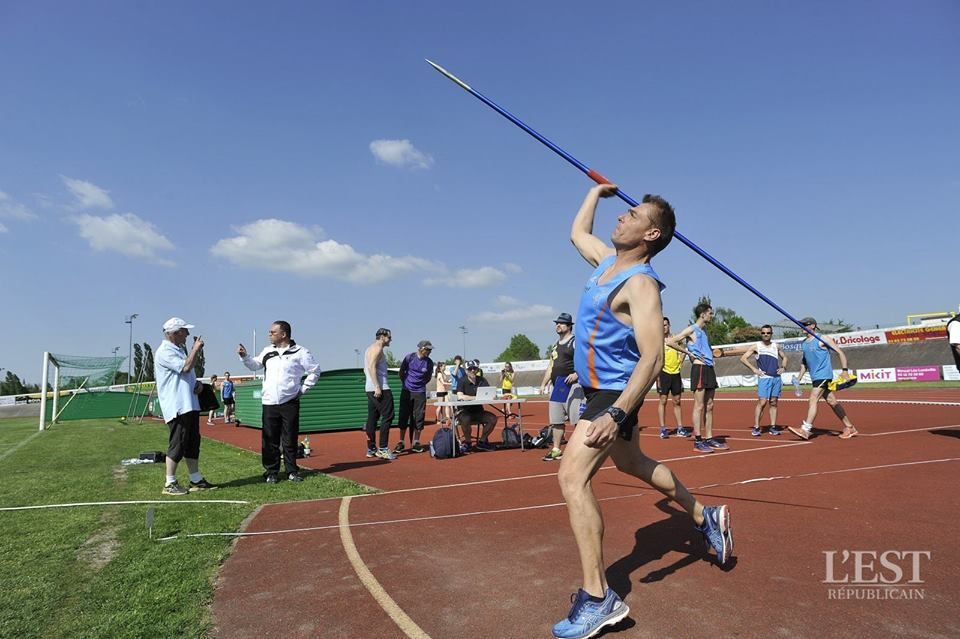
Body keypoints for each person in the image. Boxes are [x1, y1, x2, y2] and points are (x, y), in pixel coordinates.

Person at [553, 184, 732, 639]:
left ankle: (598, 598)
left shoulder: (641, 284)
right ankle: (702, 515)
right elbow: (578, 232)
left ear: (651, 234)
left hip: (613, 396)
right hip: (598, 390)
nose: (621, 218)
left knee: (572, 478)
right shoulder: (605, 265)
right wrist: (595, 193)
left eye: (631, 215)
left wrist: (616, 413)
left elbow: (652, 358)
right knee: (633, 463)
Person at [238, 320, 321, 483]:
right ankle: (271, 472)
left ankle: (291, 471)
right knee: (269, 439)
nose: (269, 334)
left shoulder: (300, 352)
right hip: (269, 402)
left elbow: (315, 371)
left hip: (289, 402)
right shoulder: (268, 351)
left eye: (272, 332)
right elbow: (255, 365)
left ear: (284, 334)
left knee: (289, 438)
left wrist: (303, 389)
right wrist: (244, 356)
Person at [154, 317, 216, 495]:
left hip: (189, 404)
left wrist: (196, 385)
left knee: (192, 443)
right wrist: (196, 349)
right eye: (184, 331)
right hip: (178, 405)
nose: (188, 334)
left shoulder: (177, 350)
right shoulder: (165, 352)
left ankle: (195, 479)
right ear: (174, 333)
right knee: (178, 443)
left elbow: (186, 374)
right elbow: (186, 368)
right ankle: (169, 483)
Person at [667, 303, 727, 453]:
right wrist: (688, 353)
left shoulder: (704, 331)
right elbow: (671, 341)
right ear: (703, 314)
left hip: (708, 368)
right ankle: (698, 440)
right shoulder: (691, 329)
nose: (712, 316)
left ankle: (709, 438)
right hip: (699, 369)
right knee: (699, 405)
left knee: (710, 405)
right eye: (710, 313)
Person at [787, 317, 858, 440]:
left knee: (813, 398)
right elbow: (804, 363)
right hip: (815, 377)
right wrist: (799, 377)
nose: (802, 326)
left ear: (813, 325)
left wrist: (845, 371)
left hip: (824, 375)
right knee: (832, 401)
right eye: (801, 324)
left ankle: (806, 429)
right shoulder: (804, 343)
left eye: (805, 324)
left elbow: (840, 353)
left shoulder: (822, 339)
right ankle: (850, 427)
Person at [538, 313, 583, 462]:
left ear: (569, 326)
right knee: (556, 420)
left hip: (573, 385)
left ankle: (580, 450)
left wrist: (577, 374)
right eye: (557, 323)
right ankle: (557, 449)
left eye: (562, 323)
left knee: (577, 419)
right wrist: (544, 383)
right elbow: (551, 366)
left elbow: (587, 359)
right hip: (558, 386)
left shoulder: (575, 342)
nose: (558, 325)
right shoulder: (555, 345)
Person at [739, 325, 788, 436]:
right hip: (764, 378)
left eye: (768, 333)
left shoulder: (776, 346)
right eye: (763, 333)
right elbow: (743, 358)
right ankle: (756, 427)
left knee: (774, 402)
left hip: (776, 378)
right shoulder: (756, 346)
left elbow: (785, 357)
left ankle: (773, 427)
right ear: (761, 334)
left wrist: (783, 367)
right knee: (762, 402)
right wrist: (754, 369)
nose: (766, 335)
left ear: (771, 334)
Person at [363, 328, 397, 460]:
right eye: (389, 337)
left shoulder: (369, 348)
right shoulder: (377, 348)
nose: (391, 340)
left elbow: (367, 369)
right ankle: (383, 448)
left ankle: (371, 448)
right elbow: (371, 367)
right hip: (380, 388)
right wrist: (377, 386)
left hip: (370, 388)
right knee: (388, 416)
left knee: (372, 417)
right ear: (382, 337)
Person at [396, 340, 435, 454]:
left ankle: (416, 442)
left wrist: (419, 385)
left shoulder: (429, 362)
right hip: (406, 391)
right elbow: (401, 372)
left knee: (419, 416)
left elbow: (428, 377)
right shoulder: (410, 358)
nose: (429, 352)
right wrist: (406, 384)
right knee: (403, 415)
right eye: (427, 349)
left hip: (420, 392)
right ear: (421, 348)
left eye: (430, 350)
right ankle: (401, 441)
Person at [657, 317, 693, 439]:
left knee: (677, 401)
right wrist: (657, 377)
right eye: (662, 325)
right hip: (664, 373)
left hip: (676, 373)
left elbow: (684, 349)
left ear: (669, 325)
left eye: (666, 325)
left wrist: (681, 360)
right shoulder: (658, 341)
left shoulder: (676, 339)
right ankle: (663, 428)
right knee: (663, 401)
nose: (664, 327)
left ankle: (680, 428)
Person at [455, 360, 497, 452]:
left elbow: (489, 392)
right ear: (466, 370)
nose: (473, 370)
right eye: (470, 369)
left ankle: (482, 442)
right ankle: (468, 443)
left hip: (478, 411)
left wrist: (493, 396)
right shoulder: (462, 381)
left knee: (493, 419)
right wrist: (475, 398)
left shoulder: (482, 380)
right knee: (465, 419)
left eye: (475, 368)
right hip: (464, 412)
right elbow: (460, 396)